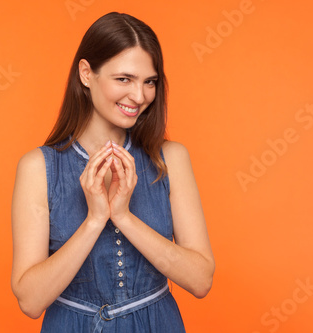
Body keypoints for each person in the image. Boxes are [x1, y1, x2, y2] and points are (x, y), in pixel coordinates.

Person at [11, 12, 215, 332]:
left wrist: (123, 217)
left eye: (149, 82)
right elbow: (31, 301)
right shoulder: (38, 168)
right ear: (86, 74)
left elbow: (201, 280)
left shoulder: (171, 159)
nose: (139, 96)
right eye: (124, 79)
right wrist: (95, 220)